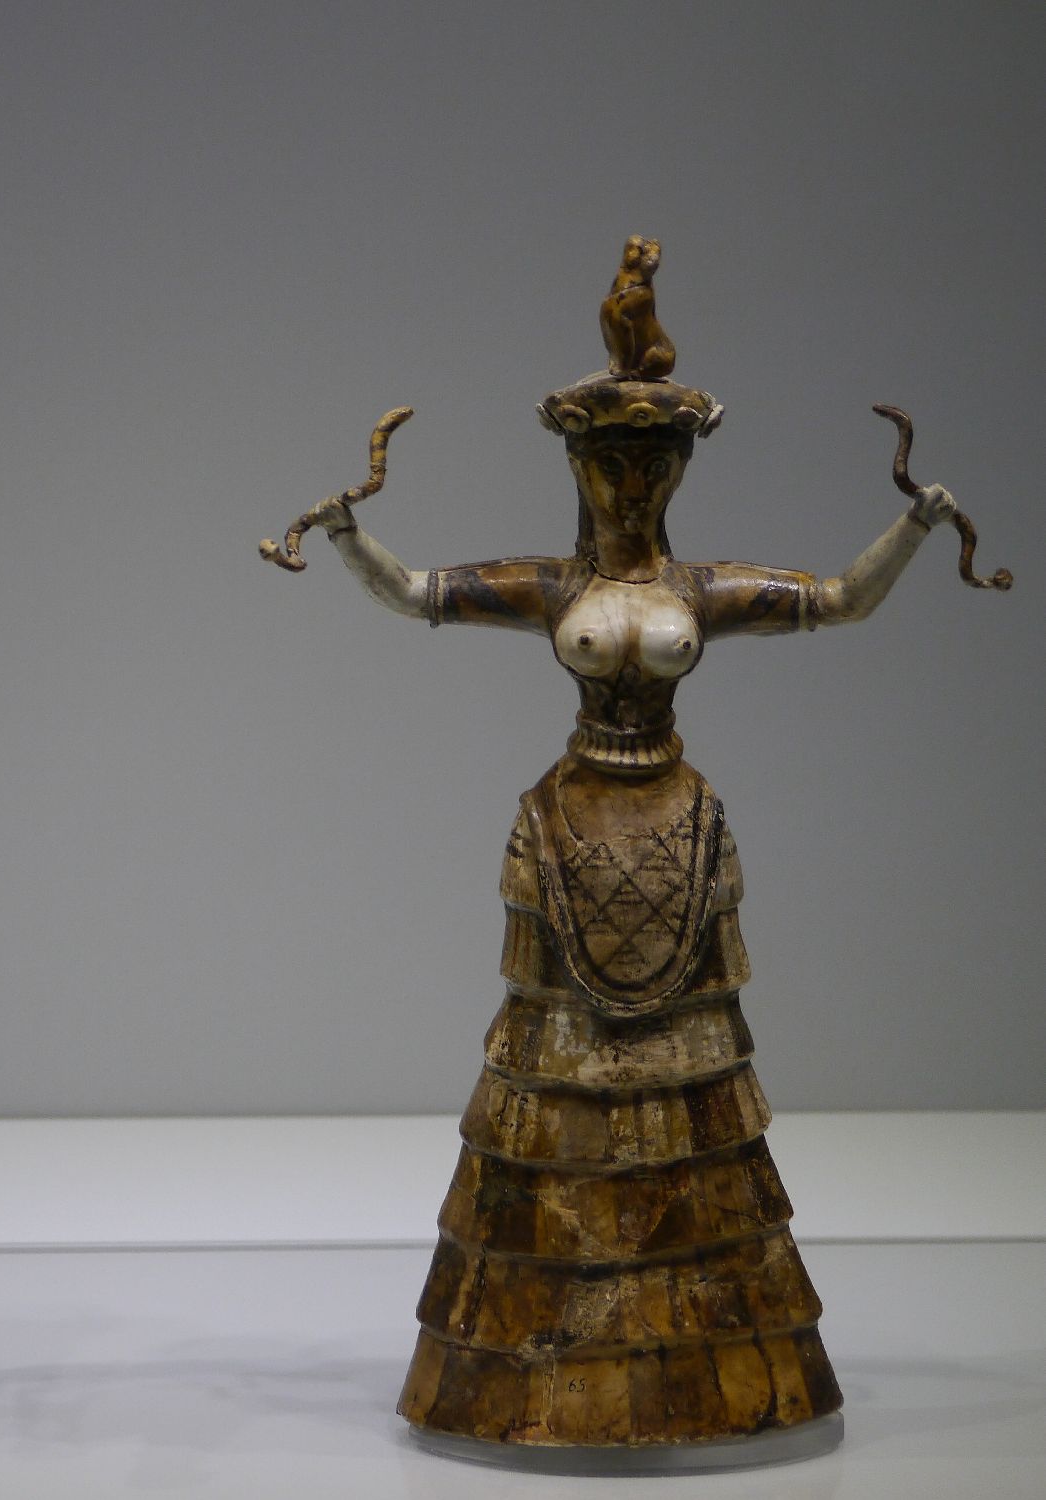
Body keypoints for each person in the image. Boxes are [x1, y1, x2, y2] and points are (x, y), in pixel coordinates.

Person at [303, 249, 956, 1460]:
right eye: (610, 464)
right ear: (579, 469)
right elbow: (415, 592)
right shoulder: (552, 583)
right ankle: (538, 1378)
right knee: (554, 1062)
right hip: (568, 821)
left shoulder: (699, 589)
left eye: (651, 465)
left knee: (688, 1072)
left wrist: (916, 522)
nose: (629, 484)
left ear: (678, 473)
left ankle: (700, 1368)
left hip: (674, 818)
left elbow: (839, 601)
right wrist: (346, 532)